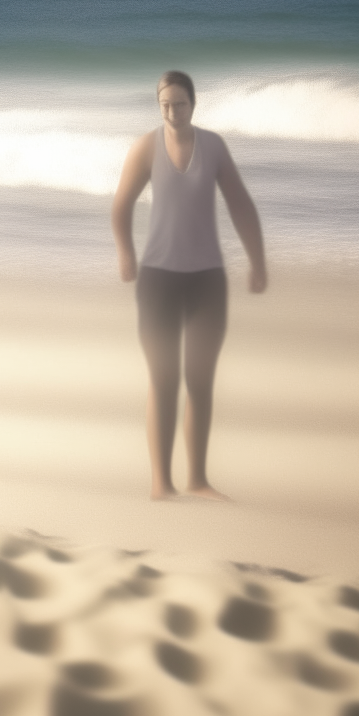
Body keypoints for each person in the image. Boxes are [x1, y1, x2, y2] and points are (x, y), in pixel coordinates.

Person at [111, 70, 266, 502]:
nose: (172, 112)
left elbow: (240, 204)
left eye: (179, 104)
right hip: (158, 280)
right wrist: (126, 253)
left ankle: (197, 479)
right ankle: (162, 482)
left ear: (193, 105)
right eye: (164, 105)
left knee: (200, 380)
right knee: (163, 381)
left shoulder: (213, 146)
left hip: (207, 282)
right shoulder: (146, 147)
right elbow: (120, 206)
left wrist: (258, 262)